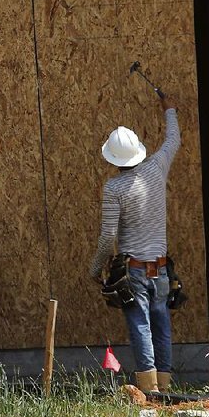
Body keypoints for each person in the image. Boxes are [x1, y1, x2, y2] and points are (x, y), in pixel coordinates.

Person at [89, 95, 180, 393]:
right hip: (161, 268)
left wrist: (95, 269)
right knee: (161, 323)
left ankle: (149, 389)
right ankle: (164, 388)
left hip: (134, 272)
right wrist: (169, 109)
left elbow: (107, 238)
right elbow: (173, 140)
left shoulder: (114, 188)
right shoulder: (157, 168)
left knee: (141, 326)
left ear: (112, 158)